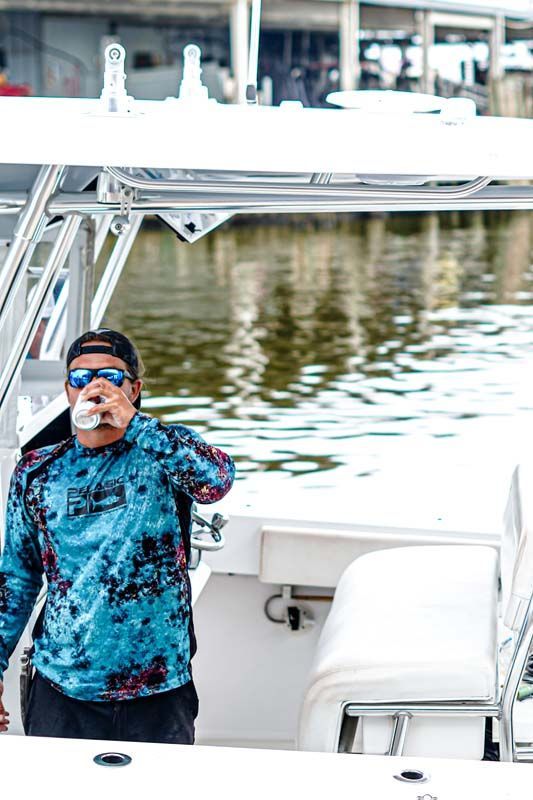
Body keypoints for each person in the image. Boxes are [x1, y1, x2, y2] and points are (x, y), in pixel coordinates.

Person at [0, 328, 235, 743]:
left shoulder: (162, 451)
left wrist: (134, 422)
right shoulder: (36, 472)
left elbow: (215, 481)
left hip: (158, 688)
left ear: (134, 388)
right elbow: (16, 579)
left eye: (110, 376)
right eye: (79, 377)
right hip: (62, 689)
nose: (93, 386)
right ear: (67, 391)